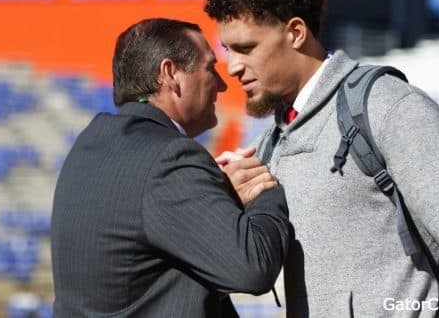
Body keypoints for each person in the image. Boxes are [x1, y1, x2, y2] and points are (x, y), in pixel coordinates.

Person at [205, 0, 439, 317]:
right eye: (228, 50)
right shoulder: (271, 143)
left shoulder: (386, 105)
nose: (233, 66)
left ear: (295, 33)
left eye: (246, 48)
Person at [50, 18, 291, 317]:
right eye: (210, 68)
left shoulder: (88, 146)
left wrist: (218, 192)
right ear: (170, 74)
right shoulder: (170, 157)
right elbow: (253, 268)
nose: (221, 83)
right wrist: (263, 190)